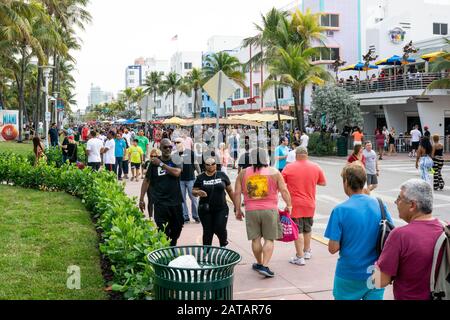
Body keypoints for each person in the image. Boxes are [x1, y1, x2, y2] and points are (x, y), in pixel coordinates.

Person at [325, 164, 393, 300]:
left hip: (349, 273)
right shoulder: (380, 206)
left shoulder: (340, 210)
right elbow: (391, 236)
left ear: (346, 182)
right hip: (376, 273)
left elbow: (333, 248)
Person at [374, 179, 445, 300]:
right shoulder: (445, 228)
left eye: (399, 198)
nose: (396, 202)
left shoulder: (400, 236)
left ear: (412, 205)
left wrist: (377, 264)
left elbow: (378, 281)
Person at [234, 148, 293, 278]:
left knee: (255, 239)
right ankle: (265, 266)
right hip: (270, 210)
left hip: (251, 211)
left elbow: (237, 193)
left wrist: (238, 209)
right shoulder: (274, 172)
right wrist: (289, 205)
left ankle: (259, 263)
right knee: (269, 239)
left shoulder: (243, 173)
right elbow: (284, 190)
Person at [282, 147, 326, 266]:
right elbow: (323, 182)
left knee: (298, 230)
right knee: (307, 228)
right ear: (307, 155)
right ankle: (307, 252)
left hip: (295, 204)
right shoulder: (316, 167)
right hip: (310, 204)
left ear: (296, 155)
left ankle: (299, 256)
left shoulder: (289, 167)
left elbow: (281, 183)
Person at [139, 139, 184, 246]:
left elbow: (177, 173)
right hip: (160, 202)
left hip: (175, 201)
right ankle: (166, 249)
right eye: (165, 147)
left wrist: (161, 164)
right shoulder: (153, 163)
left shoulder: (176, 159)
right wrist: (141, 199)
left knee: (177, 227)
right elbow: (147, 180)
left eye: (170, 147)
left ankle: (172, 244)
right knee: (163, 230)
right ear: (160, 148)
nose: (168, 149)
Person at [193, 156, 236, 247]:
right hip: (205, 209)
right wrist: (198, 192)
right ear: (205, 166)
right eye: (208, 164)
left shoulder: (222, 175)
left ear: (216, 165)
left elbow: (230, 191)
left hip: (221, 208)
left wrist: (236, 205)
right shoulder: (200, 177)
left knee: (220, 228)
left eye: (213, 164)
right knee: (208, 231)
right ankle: (206, 252)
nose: (211, 166)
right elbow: (193, 191)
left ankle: (223, 244)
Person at [173, 137, 201, 224]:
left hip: (191, 179)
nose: (177, 144)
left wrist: (199, 174)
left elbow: (196, 163)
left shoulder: (190, 152)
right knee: (182, 199)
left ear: (183, 143)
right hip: (180, 180)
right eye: (175, 143)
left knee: (194, 198)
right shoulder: (174, 155)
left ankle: (196, 215)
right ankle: (185, 216)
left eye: (178, 142)